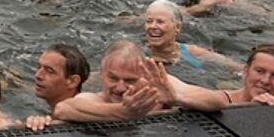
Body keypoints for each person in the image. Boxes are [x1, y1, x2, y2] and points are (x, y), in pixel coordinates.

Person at [52, 40, 228, 123]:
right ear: (102, 74)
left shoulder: (159, 89)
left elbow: (218, 100)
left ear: (143, 76)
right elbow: (63, 109)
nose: (120, 88)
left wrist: (177, 98)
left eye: (130, 80)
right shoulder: (97, 100)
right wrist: (122, 112)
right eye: (113, 78)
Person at [142, 0, 238, 72]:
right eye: (149, 21)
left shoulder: (192, 52)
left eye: (160, 22)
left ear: (178, 27)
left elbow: (232, 66)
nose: (153, 26)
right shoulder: (139, 55)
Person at [25, 44, 91, 131]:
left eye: (49, 71)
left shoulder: (85, 110)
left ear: (72, 81)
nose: (38, 75)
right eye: (39, 67)